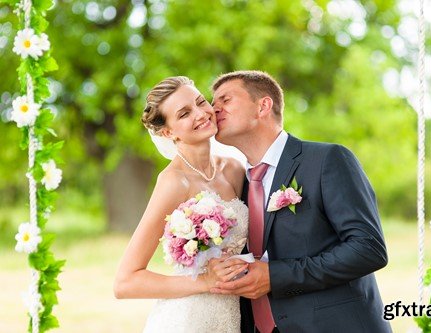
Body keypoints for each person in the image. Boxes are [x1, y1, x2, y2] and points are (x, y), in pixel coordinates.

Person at [209, 70, 392, 333]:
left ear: (263, 106)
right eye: (213, 103)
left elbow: (368, 249)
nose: (213, 109)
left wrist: (275, 276)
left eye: (225, 100)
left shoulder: (327, 159)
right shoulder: (236, 185)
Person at [113, 76, 251, 332]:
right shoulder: (174, 182)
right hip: (189, 317)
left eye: (200, 102)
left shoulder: (233, 169)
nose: (201, 114)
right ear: (168, 132)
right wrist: (204, 282)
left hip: (234, 314)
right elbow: (125, 282)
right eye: (185, 113)